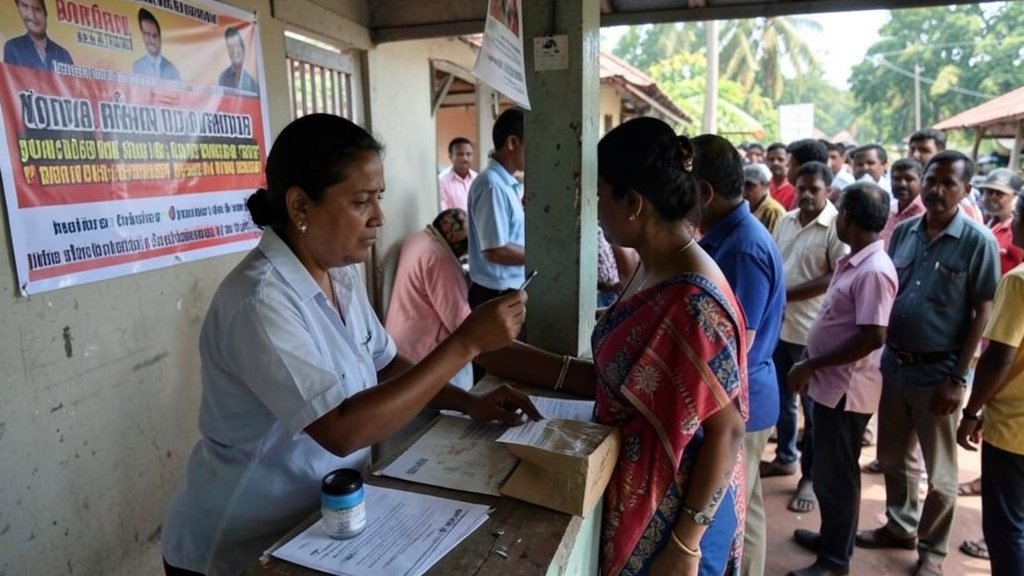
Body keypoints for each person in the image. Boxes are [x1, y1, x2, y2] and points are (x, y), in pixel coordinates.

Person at [160, 114, 541, 576]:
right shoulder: (260, 302)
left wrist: (467, 401)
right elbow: (341, 430)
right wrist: (464, 345)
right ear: (300, 206)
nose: (379, 217)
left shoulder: (338, 273)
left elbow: (385, 364)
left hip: (318, 524)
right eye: (361, 201)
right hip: (238, 546)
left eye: (377, 198)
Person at [589, 118, 747, 576]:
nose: (596, 208)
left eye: (601, 194)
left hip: (680, 517)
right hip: (645, 498)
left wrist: (685, 545)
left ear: (633, 203)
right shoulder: (652, 265)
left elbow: (728, 429)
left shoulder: (693, 299)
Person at [857, 151, 1000, 576]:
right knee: (893, 456)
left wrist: (959, 378)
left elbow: (982, 312)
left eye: (948, 183)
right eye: (931, 180)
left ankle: (933, 553)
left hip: (940, 374)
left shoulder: (978, 242)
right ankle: (900, 525)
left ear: (966, 190)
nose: (936, 190)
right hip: (897, 365)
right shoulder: (903, 233)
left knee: (940, 477)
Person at [786, 183, 898, 576]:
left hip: (846, 391)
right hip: (831, 386)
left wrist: (812, 365)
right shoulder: (855, 262)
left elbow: (873, 336)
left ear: (846, 219)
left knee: (839, 476)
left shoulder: (874, 272)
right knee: (831, 473)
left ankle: (835, 561)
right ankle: (834, 539)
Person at [694, 134, 785, 576]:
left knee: (733, 512)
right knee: (745, 505)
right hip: (742, 397)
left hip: (744, 400)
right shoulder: (724, 238)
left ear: (705, 193)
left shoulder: (744, 247)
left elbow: (736, 343)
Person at [763, 161, 849, 515]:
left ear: (828, 190)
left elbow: (834, 276)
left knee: (813, 412)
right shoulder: (785, 220)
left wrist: (786, 294)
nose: (808, 194)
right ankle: (785, 456)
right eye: (802, 188)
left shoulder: (835, 226)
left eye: (815, 189)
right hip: (781, 328)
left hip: (812, 331)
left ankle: (809, 478)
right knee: (783, 398)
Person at [956, 186, 1024, 576]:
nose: (1013, 223)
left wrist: (973, 409)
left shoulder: (1018, 281)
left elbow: (999, 356)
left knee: (1006, 528)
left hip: (1013, 426)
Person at [385, 209, 475, 389]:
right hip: (426, 354)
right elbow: (459, 321)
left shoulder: (418, 239)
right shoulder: (441, 259)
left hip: (402, 344)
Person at [467, 109, 526, 307]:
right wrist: (540, 259)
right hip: (495, 292)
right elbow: (495, 251)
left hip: (507, 287)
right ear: (512, 143)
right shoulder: (491, 185)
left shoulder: (507, 184)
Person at [977, 168, 1024, 275]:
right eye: (989, 191)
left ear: (1015, 197)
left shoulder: (1016, 232)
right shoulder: (985, 221)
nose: (992, 196)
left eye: (999, 193)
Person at [3, 0, 73, 71]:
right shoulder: (13, 48)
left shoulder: (63, 55)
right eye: (25, 7)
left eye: (37, 9)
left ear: (45, 16)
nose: (32, 16)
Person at [880, 158, 926, 249]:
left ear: (922, 181)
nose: (902, 184)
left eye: (909, 179)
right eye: (896, 179)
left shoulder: (926, 214)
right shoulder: (889, 211)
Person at [133, 9, 180, 81]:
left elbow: (179, 92)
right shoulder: (137, 66)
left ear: (161, 38)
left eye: (154, 35)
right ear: (142, 34)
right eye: (147, 34)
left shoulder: (171, 69)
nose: (151, 40)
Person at [744, 163, 786, 234]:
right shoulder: (747, 207)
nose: (744, 190)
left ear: (766, 185)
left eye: (749, 186)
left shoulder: (773, 211)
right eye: (742, 185)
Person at [438, 137, 477, 212]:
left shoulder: (477, 179)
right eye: (460, 154)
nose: (465, 158)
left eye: (468, 154)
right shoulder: (442, 180)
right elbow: (443, 212)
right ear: (450, 156)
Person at [217, 26, 258, 93]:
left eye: (237, 45)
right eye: (230, 47)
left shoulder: (253, 84)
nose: (234, 50)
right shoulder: (223, 77)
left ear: (243, 49)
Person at [766, 142, 797, 210]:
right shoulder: (764, 185)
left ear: (788, 161)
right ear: (766, 161)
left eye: (780, 159)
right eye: (771, 159)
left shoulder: (795, 188)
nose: (775, 163)